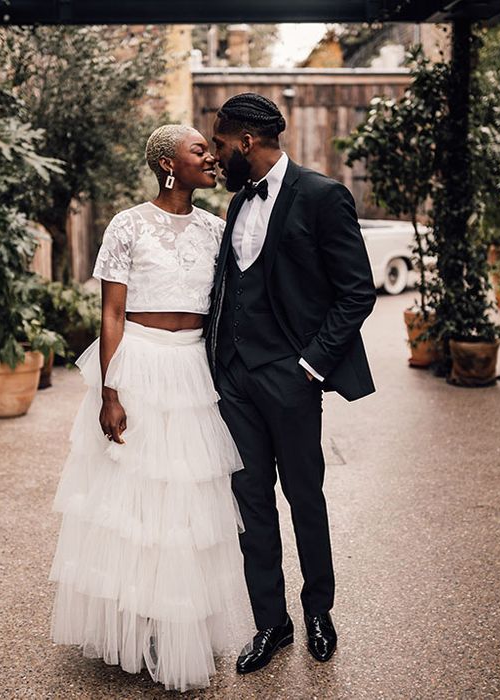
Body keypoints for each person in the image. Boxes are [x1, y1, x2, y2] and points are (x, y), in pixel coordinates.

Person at [48, 124, 251, 692]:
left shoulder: (217, 228)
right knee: (132, 500)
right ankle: (135, 623)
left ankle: (176, 619)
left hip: (191, 370)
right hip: (138, 364)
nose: (210, 157)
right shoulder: (128, 225)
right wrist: (111, 391)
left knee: (185, 500)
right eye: (198, 151)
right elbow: (112, 314)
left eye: (210, 150)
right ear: (167, 163)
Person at [206, 93, 377, 674]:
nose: (218, 156)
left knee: (305, 497)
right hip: (235, 380)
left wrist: (310, 365)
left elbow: (357, 292)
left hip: (292, 376)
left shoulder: (323, 195)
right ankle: (270, 623)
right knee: (251, 503)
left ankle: (319, 612)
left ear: (246, 143)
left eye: (222, 145)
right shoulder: (234, 205)